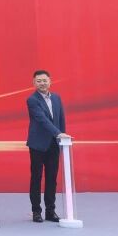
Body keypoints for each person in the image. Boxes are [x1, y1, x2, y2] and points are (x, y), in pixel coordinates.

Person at [26, 70, 68, 223]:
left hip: (54, 145)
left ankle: (51, 211)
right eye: (39, 81)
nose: (42, 83)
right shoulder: (32, 100)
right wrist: (58, 133)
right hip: (38, 144)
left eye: (44, 80)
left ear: (50, 81)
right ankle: (36, 211)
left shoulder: (56, 98)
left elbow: (61, 119)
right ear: (34, 83)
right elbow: (42, 119)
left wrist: (62, 136)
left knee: (52, 178)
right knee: (36, 178)